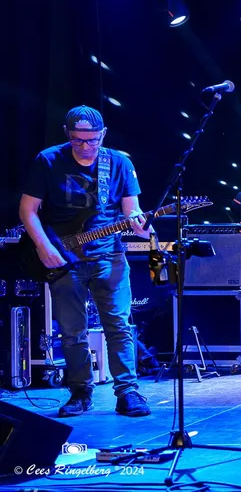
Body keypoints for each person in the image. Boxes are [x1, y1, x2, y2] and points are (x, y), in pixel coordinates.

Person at [19, 105, 151, 418]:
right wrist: (43, 247)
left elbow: (131, 209)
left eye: (92, 140)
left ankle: (128, 392)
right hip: (63, 256)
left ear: (103, 134)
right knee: (71, 330)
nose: (86, 146)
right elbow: (27, 210)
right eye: (78, 140)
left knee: (119, 325)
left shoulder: (118, 163)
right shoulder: (48, 160)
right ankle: (80, 392)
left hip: (109, 255)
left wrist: (139, 223)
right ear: (67, 134)